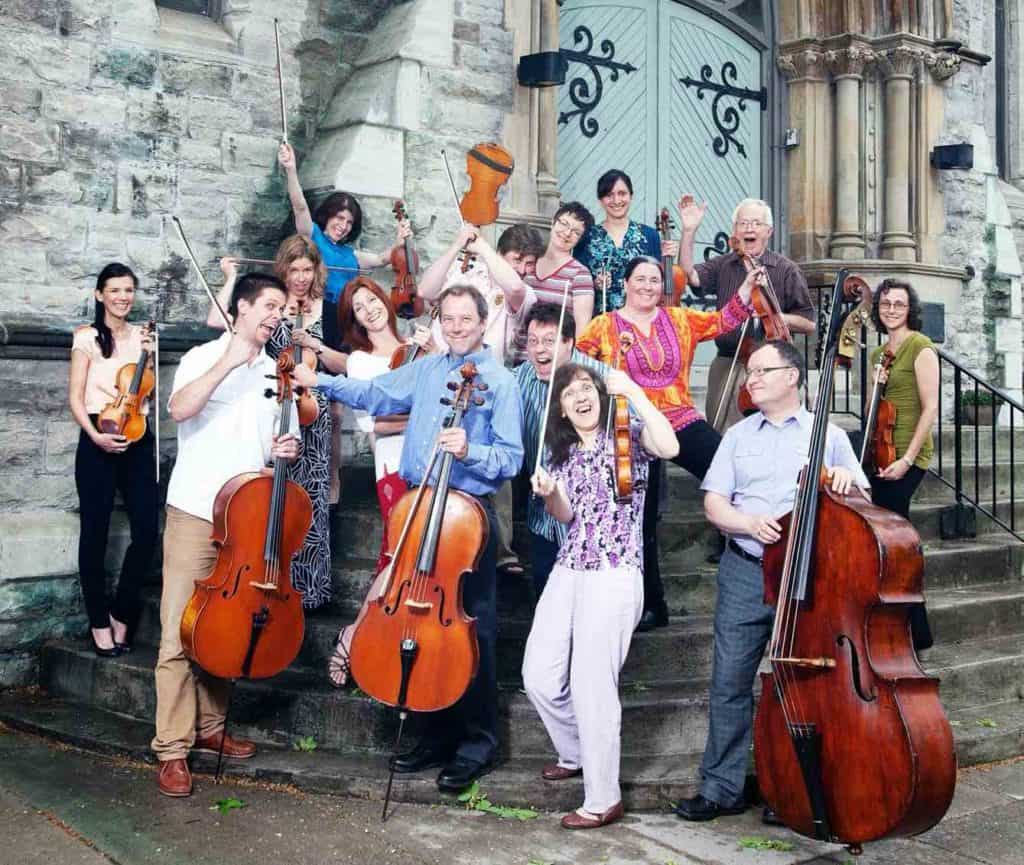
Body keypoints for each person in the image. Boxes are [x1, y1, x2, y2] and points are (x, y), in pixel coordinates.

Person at [292, 283, 523, 792]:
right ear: (439, 321)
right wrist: (321, 381)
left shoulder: (500, 383)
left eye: (467, 318)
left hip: (468, 518)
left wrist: (470, 451)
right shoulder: (429, 368)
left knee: (473, 633)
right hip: (419, 507)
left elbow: (511, 459)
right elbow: (377, 393)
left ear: (483, 323)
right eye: (450, 318)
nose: (458, 326)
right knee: (418, 625)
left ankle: (477, 743)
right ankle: (432, 733)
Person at [675, 340, 870, 823]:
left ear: (793, 377)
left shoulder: (828, 434)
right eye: (750, 371)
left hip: (806, 574)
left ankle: (789, 788)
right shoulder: (739, 436)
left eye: (763, 370)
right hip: (746, 567)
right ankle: (721, 788)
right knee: (729, 681)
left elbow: (863, 498)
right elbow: (714, 502)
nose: (751, 378)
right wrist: (745, 523)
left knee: (799, 682)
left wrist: (847, 484)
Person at [153, 272, 300, 798]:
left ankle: (211, 729)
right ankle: (172, 748)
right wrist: (228, 361)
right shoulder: (202, 356)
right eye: (268, 306)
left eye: (282, 309)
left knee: (223, 625)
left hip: (246, 519)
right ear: (240, 308)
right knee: (178, 630)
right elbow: (178, 410)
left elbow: (285, 443)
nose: (276, 316)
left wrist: (287, 449)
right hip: (195, 510)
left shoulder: (277, 372)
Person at [523, 363, 678, 830]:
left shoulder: (627, 435)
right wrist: (549, 494)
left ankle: (603, 797)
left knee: (593, 682)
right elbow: (566, 514)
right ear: (563, 411)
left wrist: (633, 390)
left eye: (586, 388)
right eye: (569, 394)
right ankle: (575, 751)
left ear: (600, 395)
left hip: (614, 572)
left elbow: (670, 445)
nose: (579, 397)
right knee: (539, 675)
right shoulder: (560, 452)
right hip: (570, 567)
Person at [576, 256, 756, 630]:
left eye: (654, 280)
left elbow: (725, 320)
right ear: (625, 284)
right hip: (631, 428)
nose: (647, 286)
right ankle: (650, 605)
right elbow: (575, 365)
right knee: (640, 517)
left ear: (663, 286)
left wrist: (747, 287)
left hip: (680, 417)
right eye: (639, 279)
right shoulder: (602, 325)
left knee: (733, 471)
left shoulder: (679, 318)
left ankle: (745, 553)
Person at [207, 236, 338, 609]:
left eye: (307, 269)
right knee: (273, 503)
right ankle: (270, 586)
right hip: (274, 407)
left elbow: (345, 363)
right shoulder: (273, 306)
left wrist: (313, 348)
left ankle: (310, 592)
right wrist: (230, 277)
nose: (300, 277)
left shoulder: (327, 311)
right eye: (293, 269)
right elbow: (218, 320)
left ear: (316, 271)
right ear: (283, 269)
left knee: (309, 505)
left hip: (311, 411)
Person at [418, 221, 543, 577]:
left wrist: (485, 248)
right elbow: (427, 290)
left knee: (494, 466)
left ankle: (501, 549)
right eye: (517, 258)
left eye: (530, 262)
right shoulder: (463, 278)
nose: (523, 267)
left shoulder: (522, 294)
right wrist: (459, 245)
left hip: (488, 384)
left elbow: (515, 285)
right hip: (445, 377)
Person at [326, 276, 432, 687]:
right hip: (393, 466)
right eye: (358, 307)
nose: (369, 309)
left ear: (385, 301)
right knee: (394, 557)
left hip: (431, 464)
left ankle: (401, 640)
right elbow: (377, 424)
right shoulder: (361, 362)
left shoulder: (417, 346)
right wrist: (425, 412)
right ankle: (352, 637)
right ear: (353, 320)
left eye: (372, 299)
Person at [69, 262, 159, 656]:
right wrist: (95, 438)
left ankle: (122, 614)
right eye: (115, 290)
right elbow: (74, 397)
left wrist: (151, 357)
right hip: (97, 436)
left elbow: (148, 391)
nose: (123, 297)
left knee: (146, 531)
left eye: (129, 290)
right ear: (99, 295)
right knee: (95, 533)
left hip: (137, 435)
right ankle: (99, 624)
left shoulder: (143, 337)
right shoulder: (86, 337)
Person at [676, 196, 816, 432]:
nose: (749, 228)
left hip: (771, 367)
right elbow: (690, 275)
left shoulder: (786, 269)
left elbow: (809, 322)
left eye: (756, 223)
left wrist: (778, 318)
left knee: (773, 430)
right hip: (728, 360)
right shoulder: (723, 265)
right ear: (734, 231)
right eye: (743, 223)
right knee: (721, 432)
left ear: (769, 231)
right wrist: (689, 231)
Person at [515, 303, 608, 597]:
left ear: (569, 342)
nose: (539, 350)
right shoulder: (520, 378)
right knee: (547, 598)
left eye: (549, 341)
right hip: (545, 515)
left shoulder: (600, 378)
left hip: (594, 516)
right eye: (532, 341)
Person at [867, 278, 939, 650]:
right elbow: (870, 414)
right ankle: (908, 627)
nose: (891, 309)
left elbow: (930, 408)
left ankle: (916, 630)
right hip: (882, 452)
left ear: (910, 309)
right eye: (885, 303)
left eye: (898, 303)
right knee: (888, 540)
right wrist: (876, 385)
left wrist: (908, 460)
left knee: (899, 541)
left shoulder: (920, 347)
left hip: (909, 455)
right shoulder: (877, 354)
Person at [572, 169, 668, 314]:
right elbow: (576, 281)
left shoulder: (650, 236)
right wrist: (595, 283)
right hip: (599, 322)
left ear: (631, 196)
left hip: (640, 322)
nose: (616, 201)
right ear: (600, 200)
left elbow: (658, 282)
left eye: (622, 194)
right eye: (609, 195)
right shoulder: (587, 236)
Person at [512, 202, 596, 363]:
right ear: (553, 222)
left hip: (551, 366)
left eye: (576, 232)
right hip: (515, 361)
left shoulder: (580, 274)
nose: (567, 233)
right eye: (564, 224)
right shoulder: (527, 263)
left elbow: (581, 332)